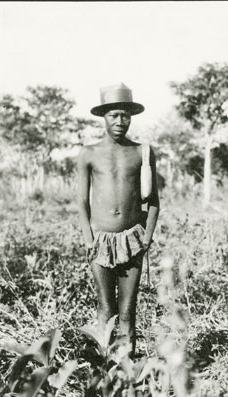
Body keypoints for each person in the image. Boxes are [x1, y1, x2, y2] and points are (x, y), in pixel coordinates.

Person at [77, 83, 159, 357]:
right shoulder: (88, 153)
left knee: (127, 309)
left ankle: (127, 368)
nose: (120, 122)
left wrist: (146, 237)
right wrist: (89, 239)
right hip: (99, 240)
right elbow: (81, 201)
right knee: (106, 307)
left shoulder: (142, 152)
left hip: (132, 239)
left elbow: (155, 201)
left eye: (125, 115)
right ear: (103, 116)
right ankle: (106, 366)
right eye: (114, 115)